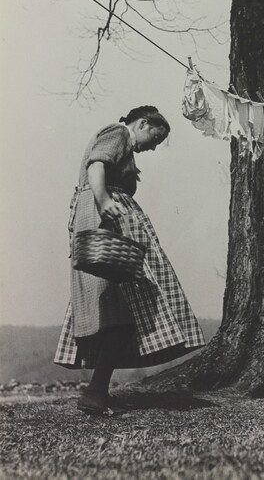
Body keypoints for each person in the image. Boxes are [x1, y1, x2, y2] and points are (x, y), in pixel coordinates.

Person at [54, 106, 205, 414]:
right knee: (123, 305)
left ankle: (96, 391)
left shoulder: (125, 144)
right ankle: (95, 391)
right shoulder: (118, 132)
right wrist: (105, 200)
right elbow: (97, 165)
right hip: (105, 222)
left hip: (103, 220)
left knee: (120, 312)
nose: (153, 146)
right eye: (155, 136)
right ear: (142, 123)